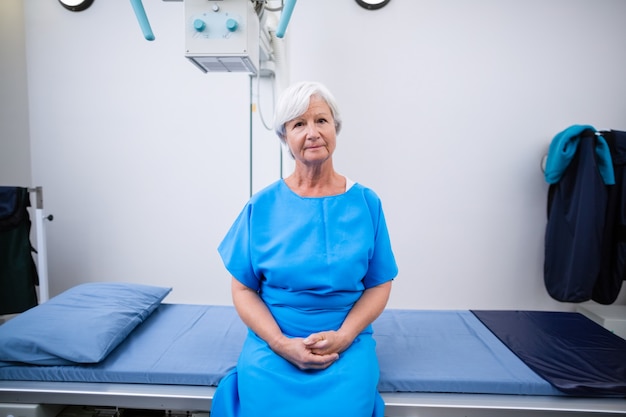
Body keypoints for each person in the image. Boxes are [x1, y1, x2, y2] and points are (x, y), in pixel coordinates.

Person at [211, 81, 398, 417]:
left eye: (321, 121)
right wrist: (281, 343)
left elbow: (379, 283)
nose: (312, 132)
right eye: (299, 124)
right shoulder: (262, 205)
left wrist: (344, 336)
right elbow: (242, 288)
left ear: (335, 129)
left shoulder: (367, 203)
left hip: (345, 345)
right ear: (285, 137)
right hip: (273, 343)